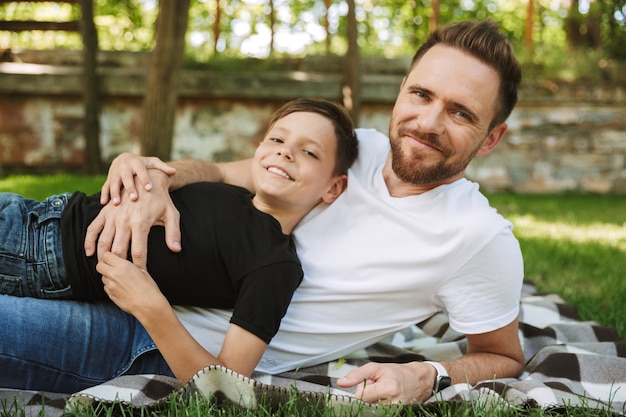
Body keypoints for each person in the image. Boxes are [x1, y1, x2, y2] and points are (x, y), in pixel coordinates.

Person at [1, 20, 524, 404]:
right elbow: (223, 172)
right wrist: (158, 179)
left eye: (460, 112)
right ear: (401, 89)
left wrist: (428, 374)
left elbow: (505, 357)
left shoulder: (479, 237)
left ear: (491, 137)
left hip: (156, 340)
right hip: (93, 251)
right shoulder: (352, 147)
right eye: (421, 93)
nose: (427, 121)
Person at [0, 98, 357, 390]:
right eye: (277, 140)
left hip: (40, 257)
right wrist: (131, 165)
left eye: (309, 152)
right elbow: (165, 176)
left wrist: (151, 306)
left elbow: (225, 388)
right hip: (33, 211)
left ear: (333, 187)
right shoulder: (231, 192)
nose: (285, 153)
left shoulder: (274, 264)